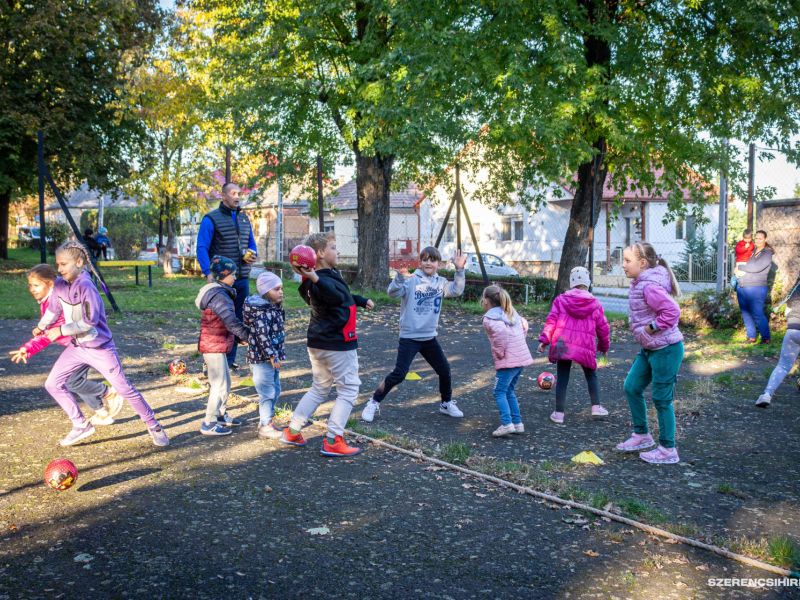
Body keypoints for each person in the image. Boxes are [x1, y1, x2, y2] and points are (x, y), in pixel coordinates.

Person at [36, 242, 169, 447]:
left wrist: (60, 331)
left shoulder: (87, 287)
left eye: (64, 264)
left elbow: (89, 322)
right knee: (52, 384)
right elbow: (53, 310)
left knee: (124, 389)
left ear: (79, 262)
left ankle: (154, 425)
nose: (60, 269)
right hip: (77, 347)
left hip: (100, 348)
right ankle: (81, 425)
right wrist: (42, 325)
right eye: (58, 264)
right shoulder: (60, 285)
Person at [281, 232, 374, 457]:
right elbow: (333, 295)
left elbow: (342, 295)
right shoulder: (318, 280)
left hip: (320, 342)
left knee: (320, 387)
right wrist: (313, 278)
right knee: (349, 389)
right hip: (337, 343)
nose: (337, 251)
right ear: (320, 253)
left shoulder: (322, 278)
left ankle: (293, 430)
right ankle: (333, 439)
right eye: (333, 247)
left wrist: (360, 301)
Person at [360, 246, 467, 423]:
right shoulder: (411, 280)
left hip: (429, 337)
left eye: (432, 260)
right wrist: (399, 278)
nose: (428, 263)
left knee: (444, 370)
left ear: (438, 264)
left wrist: (460, 269)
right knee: (399, 374)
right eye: (425, 259)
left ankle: (446, 403)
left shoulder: (440, 283)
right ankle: (373, 402)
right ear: (420, 262)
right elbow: (392, 292)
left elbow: (456, 290)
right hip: (409, 337)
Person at [9, 264, 123, 426]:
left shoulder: (55, 303)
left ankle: (109, 393)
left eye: (36, 285)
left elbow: (49, 334)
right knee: (75, 380)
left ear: (50, 284)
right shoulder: (49, 301)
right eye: (30, 285)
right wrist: (28, 348)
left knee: (72, 381)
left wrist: (29, 348)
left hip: (84, 345)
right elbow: (47, 332)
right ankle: (102, 412)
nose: (32, 289)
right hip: (78, 345)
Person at [615, 242, 684, 465]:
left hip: (666, 349)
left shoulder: (648, 286)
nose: (623, 265)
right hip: (650, 348)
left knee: (661, 399)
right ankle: (642, 435)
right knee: (632, 387)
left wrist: (650, 328)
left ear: (642, 263)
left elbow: (672, 312)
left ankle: (667, 449)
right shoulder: (639, 283)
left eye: (627, 261)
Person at [537, 266, 610, 425]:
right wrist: (604, 347)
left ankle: (559, 414)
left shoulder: (561, 300)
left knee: (562, 378)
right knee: (591, 375)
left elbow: (551, 321)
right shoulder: (595, 304)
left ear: (571, 283)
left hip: (563, 344)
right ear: (588, 283)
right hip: (585, 346)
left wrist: (545, 340)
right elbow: (603, 328)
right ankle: (596, 406)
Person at [196, 182, 258, 369]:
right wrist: (208, 272)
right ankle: (212, 364)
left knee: (237, 320)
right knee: (219, 321)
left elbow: (252, 244)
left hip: (242, 278)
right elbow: (201, 248)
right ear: (223, 196)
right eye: (233, 193)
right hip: (221, 280)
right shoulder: (211, 219)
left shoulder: (245, 218)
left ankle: (229, 362)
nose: (237, 196)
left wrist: (252, 254)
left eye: (239, 193)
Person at [195, 256, 250, 436]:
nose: (235, 277)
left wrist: (236, 339)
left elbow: (223, 323)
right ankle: (208, 422)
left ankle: (220, 414)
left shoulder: (220, 293)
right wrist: (247, 336)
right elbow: (230, 321)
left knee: (225, 382)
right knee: (218, 384)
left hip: (217, 343)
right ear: (224, 275)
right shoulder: (219, 296)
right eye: (232, 274)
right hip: (213, 346)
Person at [481, 285, 533, 437]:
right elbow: (524, 324)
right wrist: (519, 343)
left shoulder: (489, 318)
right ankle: (517, 423)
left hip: (507, 361)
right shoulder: (511, 312)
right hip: (520, 359)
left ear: (485, 301)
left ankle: (506, 424)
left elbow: (501, 333)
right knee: (509, 390)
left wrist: (499, 351)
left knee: (499, 391)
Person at [243, 271, 286, 439]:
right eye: (276, 289)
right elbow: (263, 337)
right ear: (266, 291)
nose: (281, 291)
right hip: (262, 360)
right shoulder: (262, 312)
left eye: (281, 288)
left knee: (275, 390)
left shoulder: (272, 308)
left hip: (271, 358)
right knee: (267, 393)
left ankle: (267, 421)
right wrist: (272, 356)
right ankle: (265, 425)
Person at [756, 272, 800, 407]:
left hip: (793, 329)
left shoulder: (797, 288)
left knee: (783, 365)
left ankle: (766, 395)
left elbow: (788, 311)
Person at [735, 230, 773, 344]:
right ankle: (751, 336)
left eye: (760, 238)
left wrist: (740, 267)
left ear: (765, 239)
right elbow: (741, 259)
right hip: (742, 286)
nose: (757, 240)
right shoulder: (753, 250)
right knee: (746, 313)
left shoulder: (767, 253)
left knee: (757, 313)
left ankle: (766, 338)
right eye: (756, 238)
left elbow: (756, 268)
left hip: (756, 288)